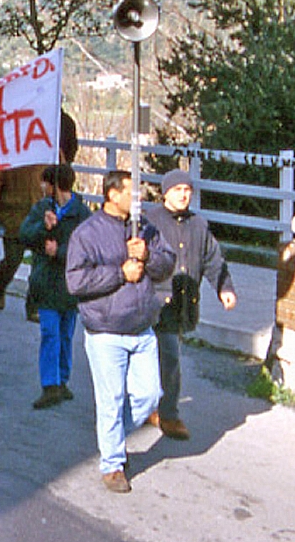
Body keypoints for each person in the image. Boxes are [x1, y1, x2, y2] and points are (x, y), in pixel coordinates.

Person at [66, 170, 175, 493]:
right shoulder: (87, 234)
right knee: (111, 398)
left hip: (142, 328)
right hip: (105, 331)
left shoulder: (145, 229)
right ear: (113, 195)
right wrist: (119, 273)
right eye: (132, 192)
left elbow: (167, 263)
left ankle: (110, 434)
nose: (138, 199)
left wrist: (147, 255)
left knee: (150, 395)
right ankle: (112, 464)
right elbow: (75, 282)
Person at [144, 169, 238, 441]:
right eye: (177, 190)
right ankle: (157, 410)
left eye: (187, 190)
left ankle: (165, 412)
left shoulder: (199, 225)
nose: (183, 195)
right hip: (154, 302)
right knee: (158, 357)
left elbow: (213, 260)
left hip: (182, 304)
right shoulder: (151, 221)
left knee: (169, 357)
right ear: (165, 193)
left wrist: (224, 287)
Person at [19, 164, 92, 409]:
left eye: (46, 183)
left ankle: (62, 379)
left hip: (70, 284)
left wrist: (58, 252)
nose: (42, 187)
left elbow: (88, 249)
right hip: (46, 283)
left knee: (65, 334)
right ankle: (50, 384)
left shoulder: (81, 214)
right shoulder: (42, 209)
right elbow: (24, 234)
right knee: (50, 333)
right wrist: (43, 227)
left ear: (55, 185)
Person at [0, 163, 47, 320]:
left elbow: (60, 172)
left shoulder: (46, 145)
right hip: (13, 215)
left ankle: (33, 307)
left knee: (40, 265)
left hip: (40, 214)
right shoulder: (11, 148)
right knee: (13, 259)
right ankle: (0, 283)